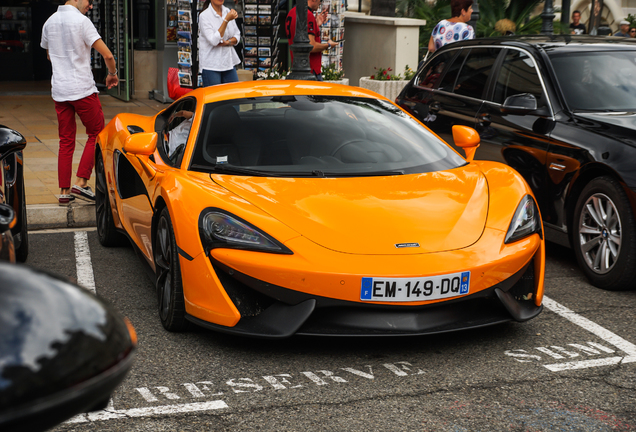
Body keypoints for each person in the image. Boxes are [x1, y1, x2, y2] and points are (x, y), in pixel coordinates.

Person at [40, 0, 118, 205]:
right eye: (89, 2)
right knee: (97, 133)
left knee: (66, 140)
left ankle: (64, 191)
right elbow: (107, 54)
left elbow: (49, 55)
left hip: (60, 90)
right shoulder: (82, 22)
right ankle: (81, 181)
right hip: (82, 89)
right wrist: (112, 74)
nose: (90, 6)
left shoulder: (49, 22)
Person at [285, 0, 337, 80]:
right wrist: (328, 45)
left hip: (296, 67)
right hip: (310, 69)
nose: (320, 3)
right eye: (320, 0)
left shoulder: (291, 13)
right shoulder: (308, 15)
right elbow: (311, 46)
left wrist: (315, 25)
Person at [198, 0, 241, 86]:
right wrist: (226, 20)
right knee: (214, 97)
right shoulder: (204, 16)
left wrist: (227, 42)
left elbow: (237, 36)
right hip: (211, 65)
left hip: (228, 63)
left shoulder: (227, 11)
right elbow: (214, 41)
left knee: (233, 94)